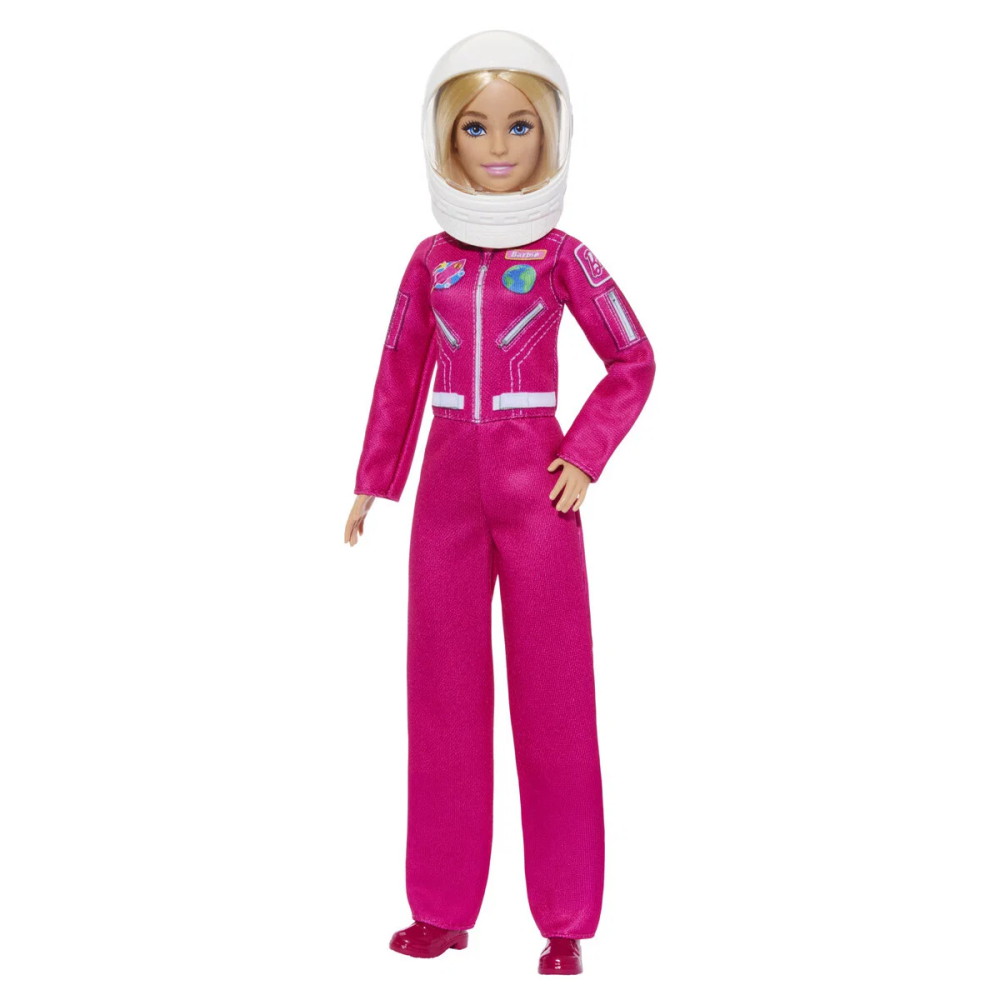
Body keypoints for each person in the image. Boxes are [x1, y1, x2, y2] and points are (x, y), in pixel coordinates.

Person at [343, 29, 655, 975]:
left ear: (550, 133)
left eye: (520, 125)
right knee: (441, 697)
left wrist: (585, 454)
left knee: (555, 699)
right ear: (444, 137)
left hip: (537, 491)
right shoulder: (430, 262)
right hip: (446, 493)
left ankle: (565, 917)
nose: (498, 145)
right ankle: (440, 909)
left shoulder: (564, 258)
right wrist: (374, 480)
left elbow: (633, 358)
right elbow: (400, 371)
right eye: (474, 127)